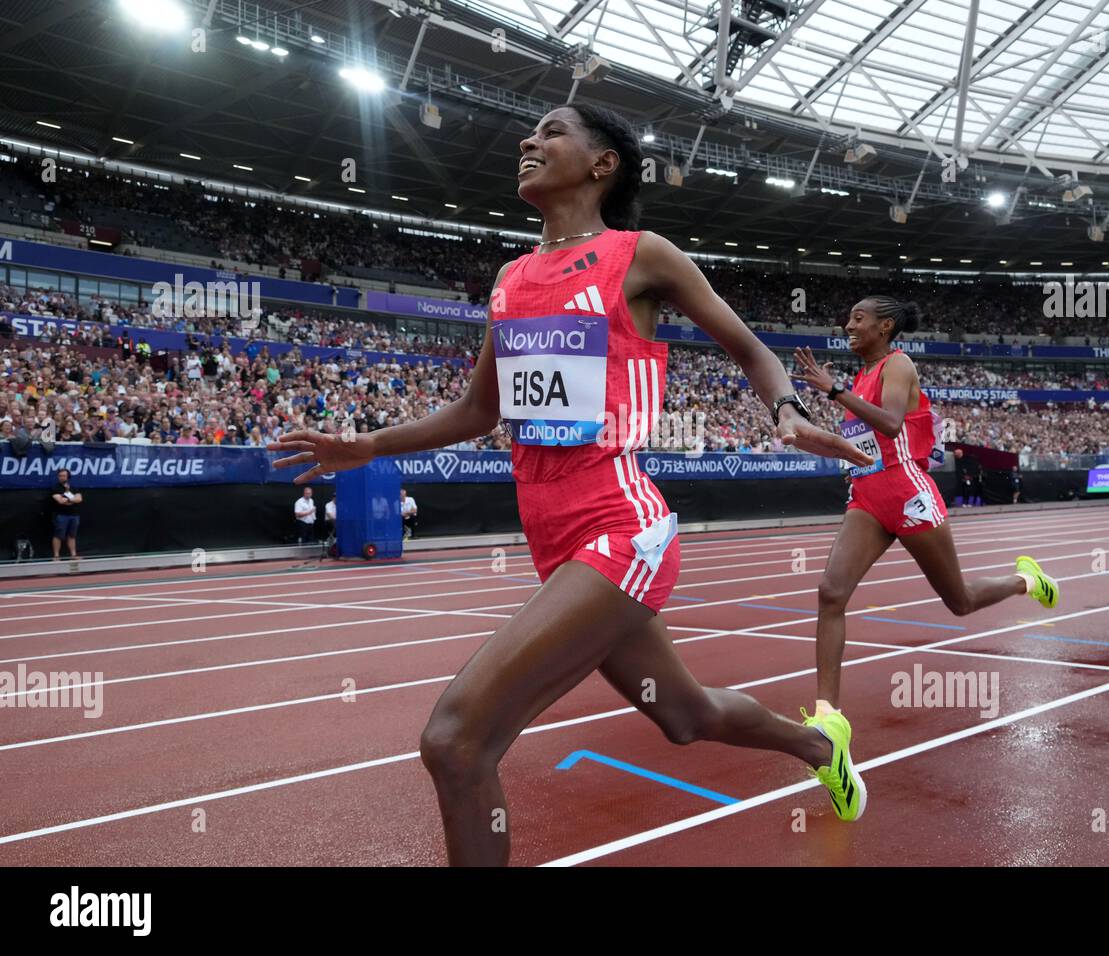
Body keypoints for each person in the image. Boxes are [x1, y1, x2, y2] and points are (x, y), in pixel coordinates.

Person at [270, 102, 872, 865]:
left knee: (456, 742)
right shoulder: (512, 277)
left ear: (602, 164)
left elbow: (751, 349)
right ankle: (820, 747)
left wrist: (784, 412)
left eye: (553, 131)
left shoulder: (641, 254)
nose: (529, 139)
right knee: (683, 716)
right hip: (553, 542)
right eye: (530, 132)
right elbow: (479, 409)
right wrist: (369, 446)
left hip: (620, 526)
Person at [792, 297, 1060, 726]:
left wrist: (834, 390)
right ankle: (828, 715)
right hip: (867, 497)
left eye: (857, 319)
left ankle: (1026, 580)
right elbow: (863, 444)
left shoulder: (897, 366)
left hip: (907, 492)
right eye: (848, 318)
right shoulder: (860, 377)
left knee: (960, 601)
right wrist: (813, 439)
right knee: (831, 592)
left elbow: (893, 423)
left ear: (885, 327)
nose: (848, 325)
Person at [50, 468, 82, 559]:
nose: (62, 477)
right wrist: (72, 499)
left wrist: (67, 499)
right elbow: (60, 500)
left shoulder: (74, 487)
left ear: (68, 477)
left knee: (72, 535)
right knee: (58, 535)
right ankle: (56, 556)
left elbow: (79, 499)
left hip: (74, 515)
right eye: (60, 476)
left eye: (64, 476)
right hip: (61, 515)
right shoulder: (55, 488)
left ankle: (73, 555)